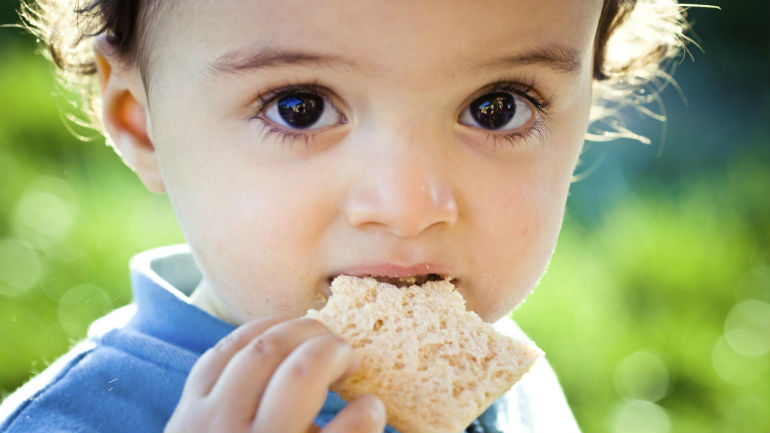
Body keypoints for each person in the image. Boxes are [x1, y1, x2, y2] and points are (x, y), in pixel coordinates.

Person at [1, 0, 692, 432]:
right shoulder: (67, 422)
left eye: (497, 107)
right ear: (143, 123)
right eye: (299, 106)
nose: (411, 206)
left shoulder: (511, 386)